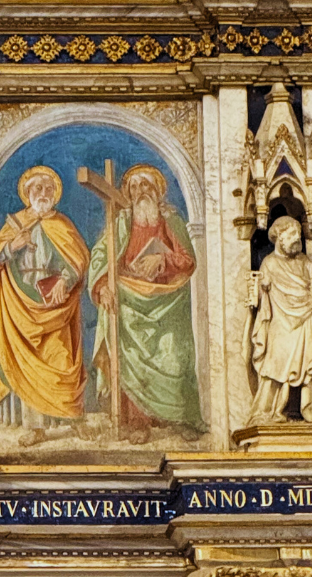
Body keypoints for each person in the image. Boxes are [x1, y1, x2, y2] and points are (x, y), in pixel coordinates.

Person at [88, 165, 203, 442]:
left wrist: (162, 260)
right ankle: (137, 423)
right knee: (129, 359)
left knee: (175, 358)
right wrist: (103, 286)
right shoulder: (121, 223)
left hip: (168, 304)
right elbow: (100, 255)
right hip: (129, 301)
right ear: (127, 193)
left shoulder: (170, 221)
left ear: (157, 191)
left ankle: (181, 418)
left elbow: (188, 260)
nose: (141, 192)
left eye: (147, 186)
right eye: (135, 187)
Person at [0, 165, 89, 445]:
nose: (43, 193)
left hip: (54, 302)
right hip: (18, 302)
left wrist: (66, 278)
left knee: (60, 358)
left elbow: (79, 259)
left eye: (49, 189)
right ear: (27, 193)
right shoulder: (14, 223)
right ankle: (35, 426)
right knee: (21, 364)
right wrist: (11, 247)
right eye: (38, 188)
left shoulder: (62, 224)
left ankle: (68, 419)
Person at [246, 214, 312, 425]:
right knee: (276, 366)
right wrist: (258, 292)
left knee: (305, 366)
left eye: (298, 235)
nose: (296, 239)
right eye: (291, 235)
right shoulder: (269, 263)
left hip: (305, 322)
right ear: (279, 237)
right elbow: (261, 297)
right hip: (279, 324)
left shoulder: (306, 263)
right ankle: (272, 411)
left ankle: (303, 411)